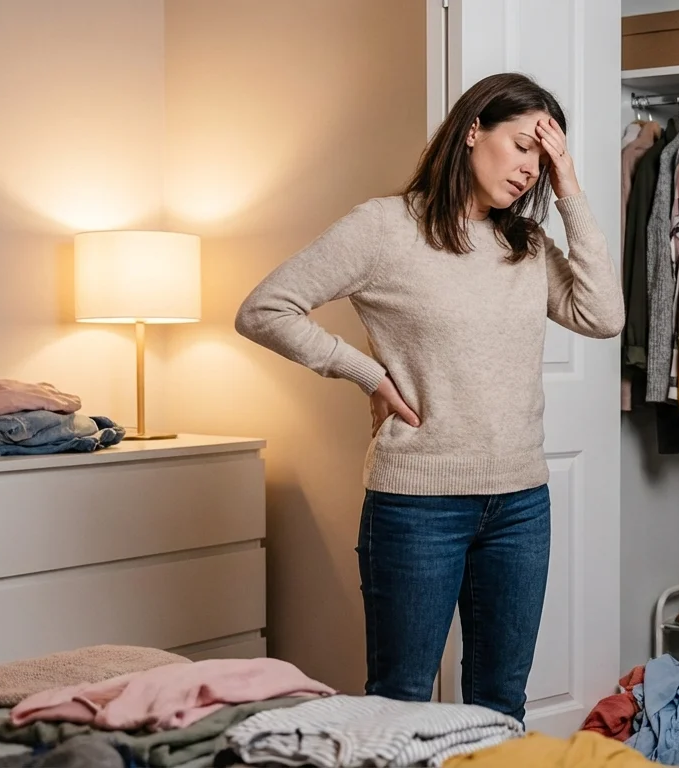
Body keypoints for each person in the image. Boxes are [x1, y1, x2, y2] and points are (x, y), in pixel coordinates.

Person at [234, 72, 624, 722]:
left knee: (501, 705)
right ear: (472, 131)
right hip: (418, 506)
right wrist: (365, 372)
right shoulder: (385, 228)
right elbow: (264, 309)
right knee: (400, 702)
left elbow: (603, 315)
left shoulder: (525, 244)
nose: (530, 169)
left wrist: (571, 190)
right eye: (522, 146)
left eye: (544, 158)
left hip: (520, 505)